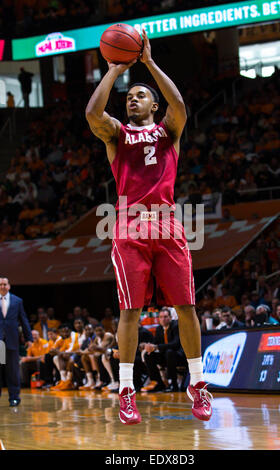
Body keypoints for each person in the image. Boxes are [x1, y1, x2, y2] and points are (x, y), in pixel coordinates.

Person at [86, 29, 212, 425]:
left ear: (154, 105)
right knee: (130, 311)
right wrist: (113, 70)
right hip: (128, 228)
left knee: (186, 308)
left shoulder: (169, 131)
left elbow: (179, 104)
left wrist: (149, 64)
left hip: (168, 225)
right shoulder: (117, 134)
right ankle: (126, 390)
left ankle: (198, 384)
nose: (132, 99)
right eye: (129, 96)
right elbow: (92, 114)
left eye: (140, 95)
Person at [0, 277, 33, 406]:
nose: (2, 286)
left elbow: (24, 320)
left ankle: (14, 397)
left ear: (9, 286)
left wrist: (29, 338)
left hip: (11, 340)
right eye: (0, 284)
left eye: (4, 284)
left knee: (12, 371)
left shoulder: (17, 301)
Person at [140, 308, 187, 393]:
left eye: (165, 317)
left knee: (169, 352)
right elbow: (155, 343)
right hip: (165, 356)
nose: (163, 319)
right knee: (148, 355)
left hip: (179, 356)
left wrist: (156, 346)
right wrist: (148, 346)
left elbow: (175, 344)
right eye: (161, 317)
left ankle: (174, 385)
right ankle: (158, 383)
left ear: (170, 317)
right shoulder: (159, 328)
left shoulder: (176, 326)